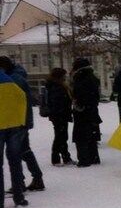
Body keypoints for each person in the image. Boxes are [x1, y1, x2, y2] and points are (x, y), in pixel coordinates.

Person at [0, 56, 44, 192]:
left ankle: (28, 181)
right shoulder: (16, 76)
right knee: (23, 150)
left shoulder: (14, 79)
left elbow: (12, 101)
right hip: (18, 120)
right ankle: (32, 180)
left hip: (16, 120)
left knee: (20, 152)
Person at [71, 57, 102, 168]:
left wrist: (79, 105)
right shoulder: (92, 77)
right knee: (91, 135)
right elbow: (94, 95)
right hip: (92, 110)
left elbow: (79, 94)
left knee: (81, 136)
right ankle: (93, 157)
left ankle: (84, 159)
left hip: (83, 111)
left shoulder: (80, 78)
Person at [45, 68, 74, 166]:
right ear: (59, 77)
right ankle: (58, 158)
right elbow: (58, 102)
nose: (65, 78)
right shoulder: (56, 87)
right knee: (60, 137)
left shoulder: (56, 86)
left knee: (61, 137)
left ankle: (63, 157)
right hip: (59, 115)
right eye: (64, 76)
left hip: (59, 115)